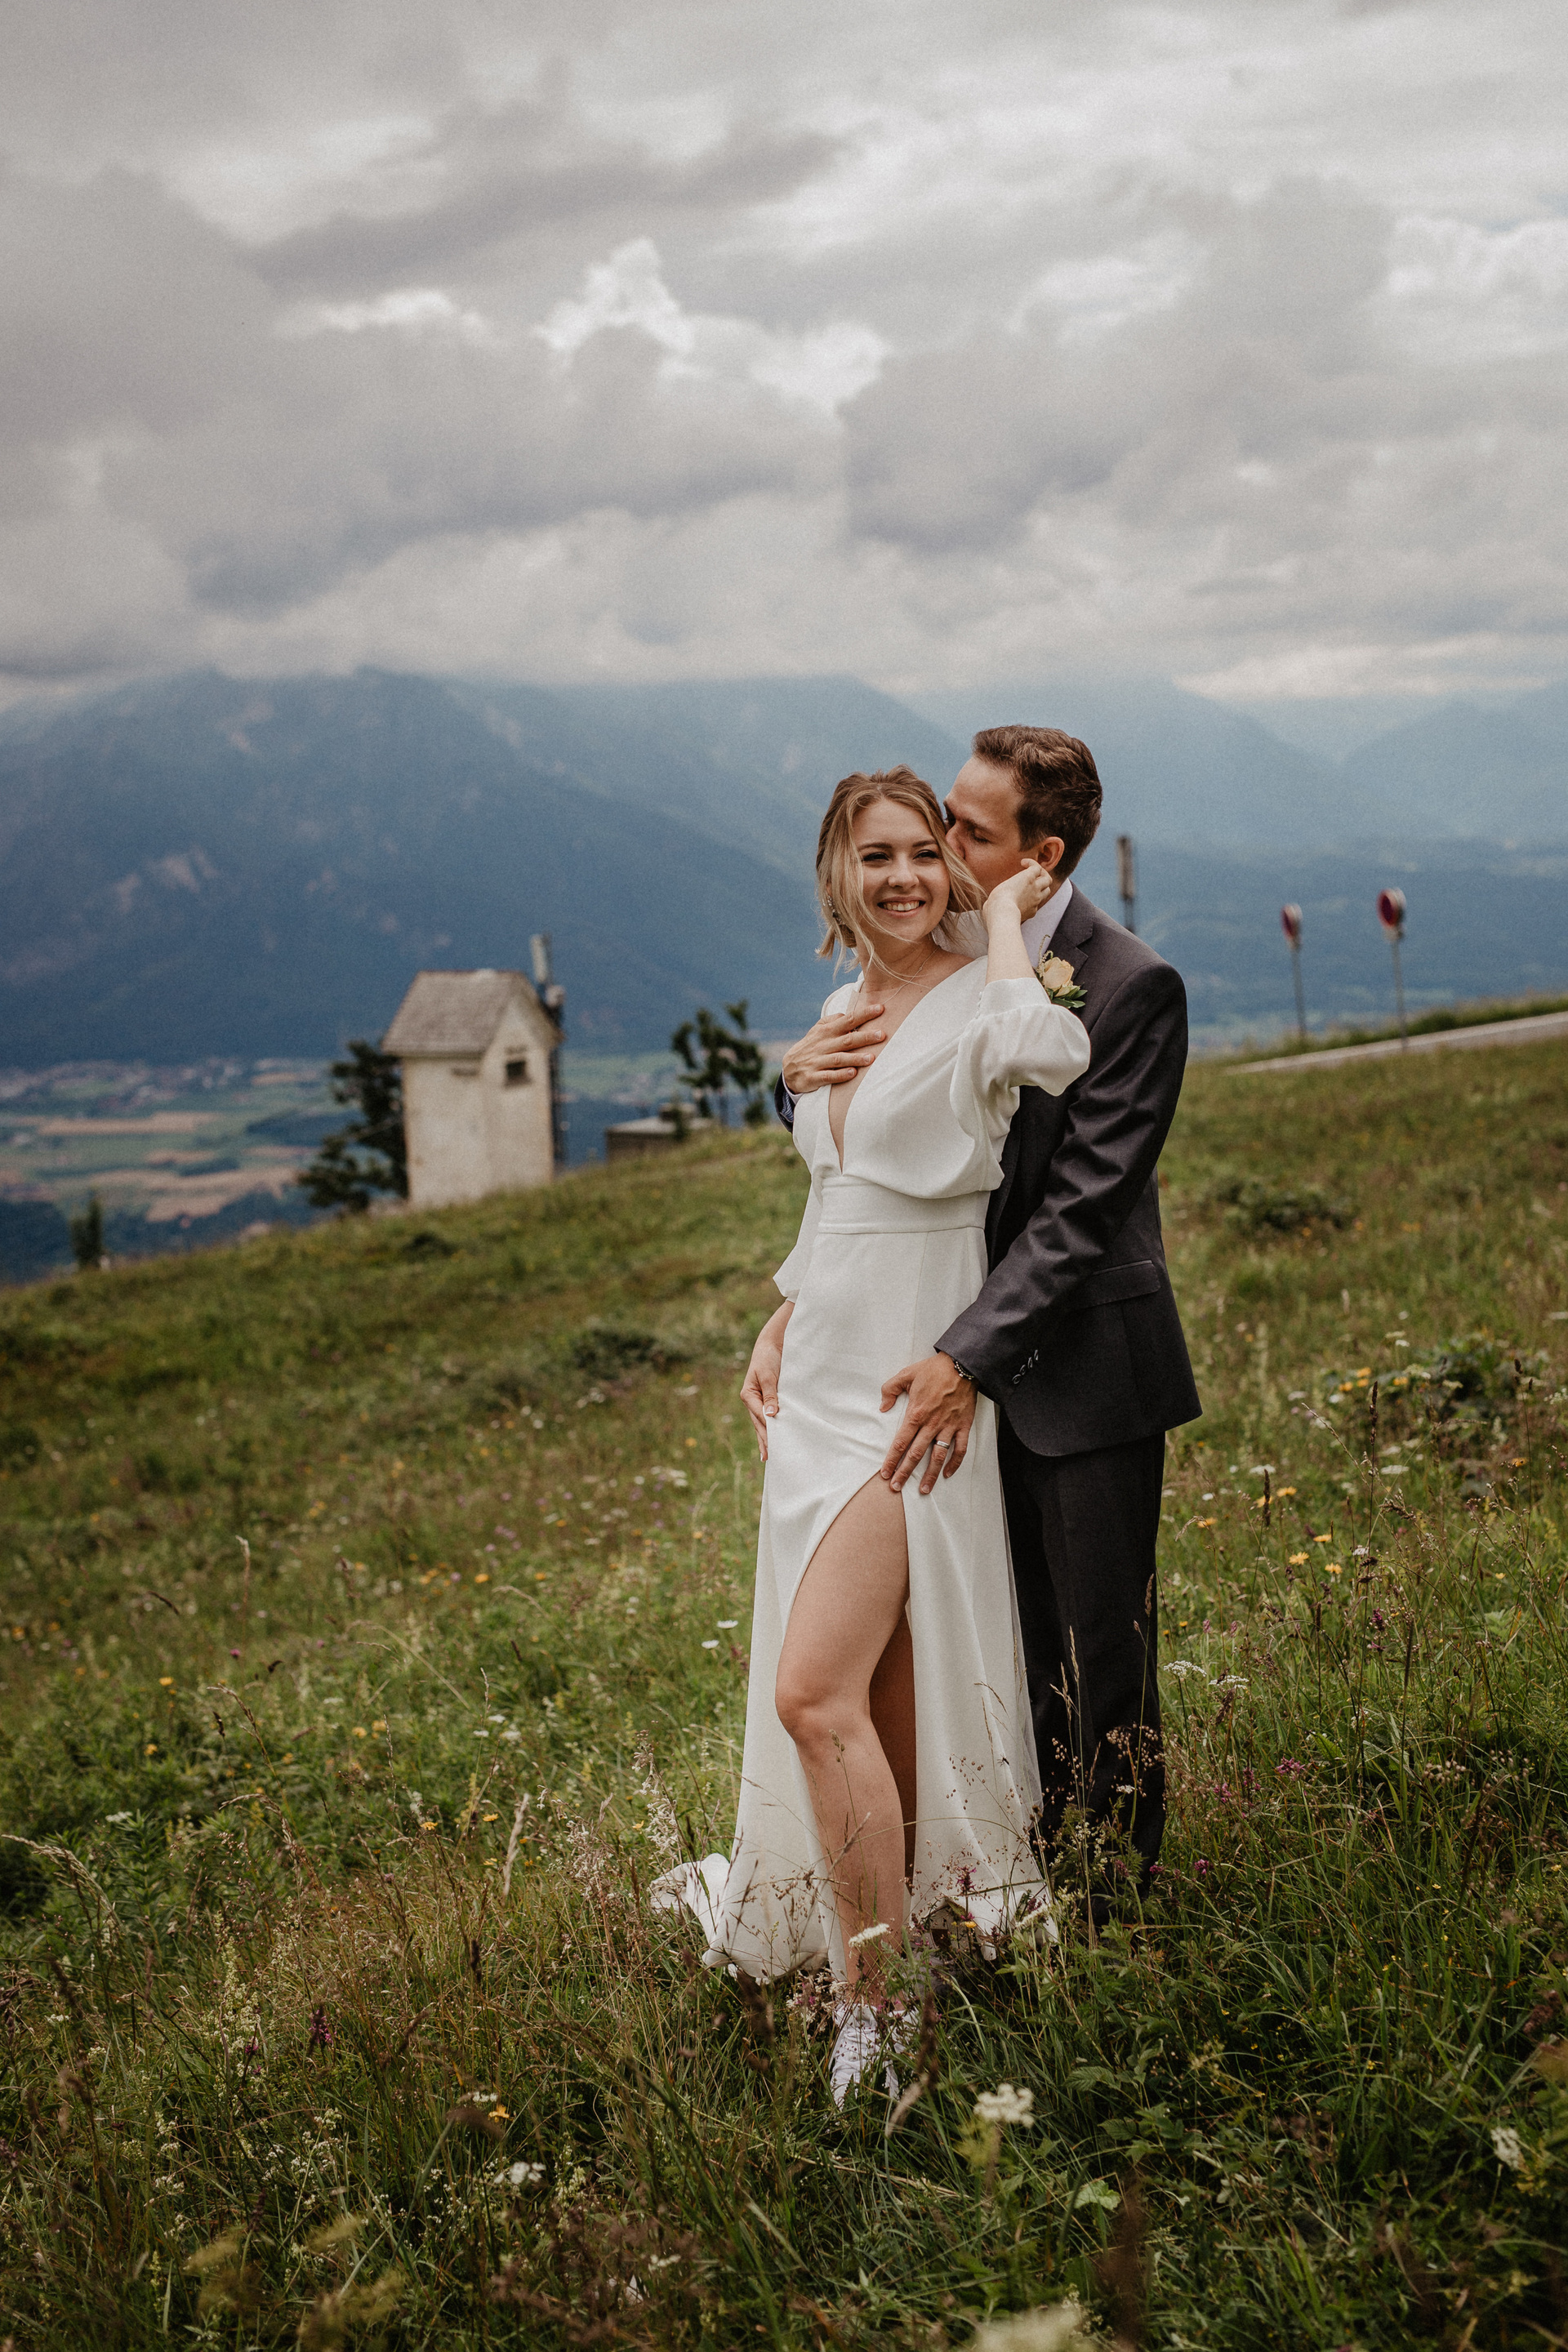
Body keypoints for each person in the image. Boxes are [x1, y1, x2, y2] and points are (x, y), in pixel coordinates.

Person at [656, 765, 1089, 2105]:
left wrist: (1003, 921)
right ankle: (907, 1942)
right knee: (876, 1702)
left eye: (920, 852)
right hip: (820, 1372)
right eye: (874, 856)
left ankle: (878, 2008)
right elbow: (839, 1190)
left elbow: (1051, 1055)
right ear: (835, 876)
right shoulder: (841, 1011)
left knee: (810, 1693)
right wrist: (781, 1312)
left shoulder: (982, 993)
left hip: (909, 1384)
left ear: (950, 866)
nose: (901, 877)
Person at [770, 726, 1200, 1931]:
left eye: (968, 829)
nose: (942, 847)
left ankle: (1111, 1919)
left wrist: (967, 1355)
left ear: (1039, 855)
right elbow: (878, 1108)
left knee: (1096, 1662)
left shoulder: (1130, 984)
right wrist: (787, 1078)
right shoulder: (950, 942)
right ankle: (986, 1888)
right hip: (929, 1357)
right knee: (979, 1651)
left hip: (1078, 1371)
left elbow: (1081, 1210)